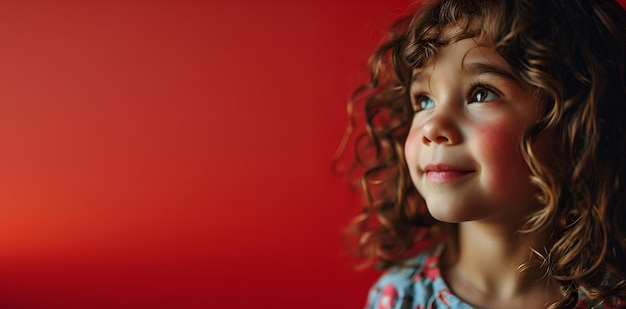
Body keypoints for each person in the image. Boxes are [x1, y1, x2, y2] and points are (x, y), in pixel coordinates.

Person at [337, 0, 626, 308]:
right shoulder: (397, 298)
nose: (433, 126)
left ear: (577, 124)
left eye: (481, 93)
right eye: (423, 101)